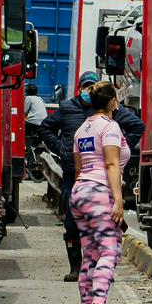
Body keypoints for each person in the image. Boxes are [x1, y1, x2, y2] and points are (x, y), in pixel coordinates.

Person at [69, 81, 128, 304]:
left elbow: (79, 168)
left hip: (80, 192)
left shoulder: (82, 129)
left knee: (91, 254)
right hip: (99, 191)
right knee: (110, 250)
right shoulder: (110, 127)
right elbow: (112, 165)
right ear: (112, 102)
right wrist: (118, 200)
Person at [39, 70, 102, 281]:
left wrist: (120, 148)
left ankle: (92, 269)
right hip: (72, 176)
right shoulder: (67, 108)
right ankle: (75, 269)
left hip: (97, 178)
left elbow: (135, 126)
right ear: (79, 88)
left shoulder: (103, 109)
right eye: (85, 86)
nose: (88, 91)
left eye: (92, 86)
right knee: (72, 225)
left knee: (95, 225)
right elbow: (45, 127)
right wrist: (61, 148)